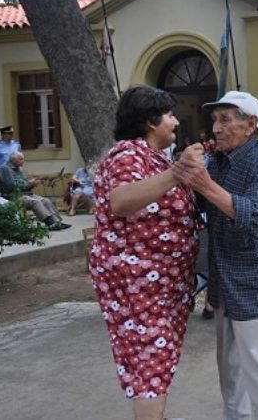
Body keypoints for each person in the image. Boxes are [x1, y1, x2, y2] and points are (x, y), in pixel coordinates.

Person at [87, 85, 203, 419]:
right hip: (137, 282)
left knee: (156, 357)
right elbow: (121, 201)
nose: (176, 122)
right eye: (169, 115)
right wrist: (178, 171)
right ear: (150, 122)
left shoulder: (153, 158)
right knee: (150, 358)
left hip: (160, 283)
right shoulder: (127, 154)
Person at [172, 90, 258, 420]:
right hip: (223, 282)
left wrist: (205, 183)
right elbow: (200, 206)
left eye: (226, 120)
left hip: (253, 281)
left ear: (250, 124)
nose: (216, 128)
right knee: (229, 371)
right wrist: (186, 170)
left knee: (257, 369)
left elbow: (253, 215)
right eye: (214, 120)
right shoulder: (220, 162)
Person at [0, 152, 70, 231]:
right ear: (13, 160)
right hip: (14, 196)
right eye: (21, 159)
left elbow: (24, 182)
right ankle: (50, 223)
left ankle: (57, 222)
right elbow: (11, 186)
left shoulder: (18, 169)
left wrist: (32, 184)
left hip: (26, 193)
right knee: (35, 202)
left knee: (46, 200)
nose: (23, 161)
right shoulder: (5, 169)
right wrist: (30, 183)